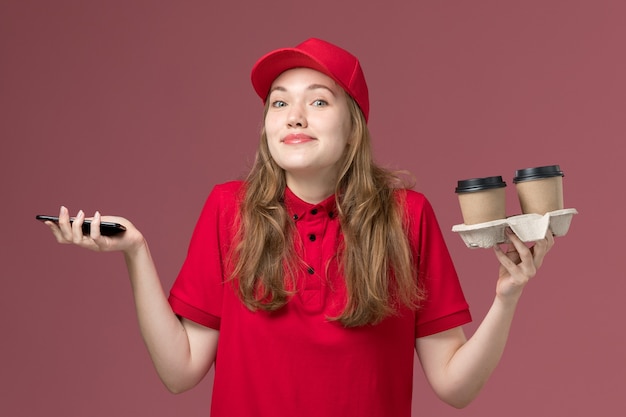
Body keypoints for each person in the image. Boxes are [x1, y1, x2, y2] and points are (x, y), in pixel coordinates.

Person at [42, 38, 554, 417]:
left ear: (353, 124)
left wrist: (507, 297)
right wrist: (136, 251)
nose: (294, 116)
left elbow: (455, 387)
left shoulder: (407, 216)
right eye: (280, 102)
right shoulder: (228, 209)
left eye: (319, 101)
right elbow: (180, 373)